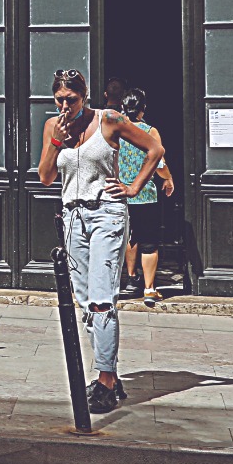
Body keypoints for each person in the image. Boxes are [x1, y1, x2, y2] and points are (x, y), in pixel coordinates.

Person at [38, 70, 163, 414]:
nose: (65, 106)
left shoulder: (108, 120)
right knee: (83, 301)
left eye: (72, 99)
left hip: (107, 213)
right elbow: (46, 177)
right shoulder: (53, 127)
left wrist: (134, 187)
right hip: (72, 217)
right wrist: (56, 142)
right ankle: (111, 373)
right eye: (60, 99)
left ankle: (105, 381)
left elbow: (155, 148)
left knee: (101, 299)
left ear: (85, 96)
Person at [118, 89, 176, 306]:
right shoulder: (150, 132)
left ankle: (131, 279)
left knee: (130, 238)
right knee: (149, 242)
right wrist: (168, 179)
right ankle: (149, 289)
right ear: (142, 109)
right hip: (145, 195)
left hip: (122, 193)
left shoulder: (117, 130)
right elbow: (159, 162)